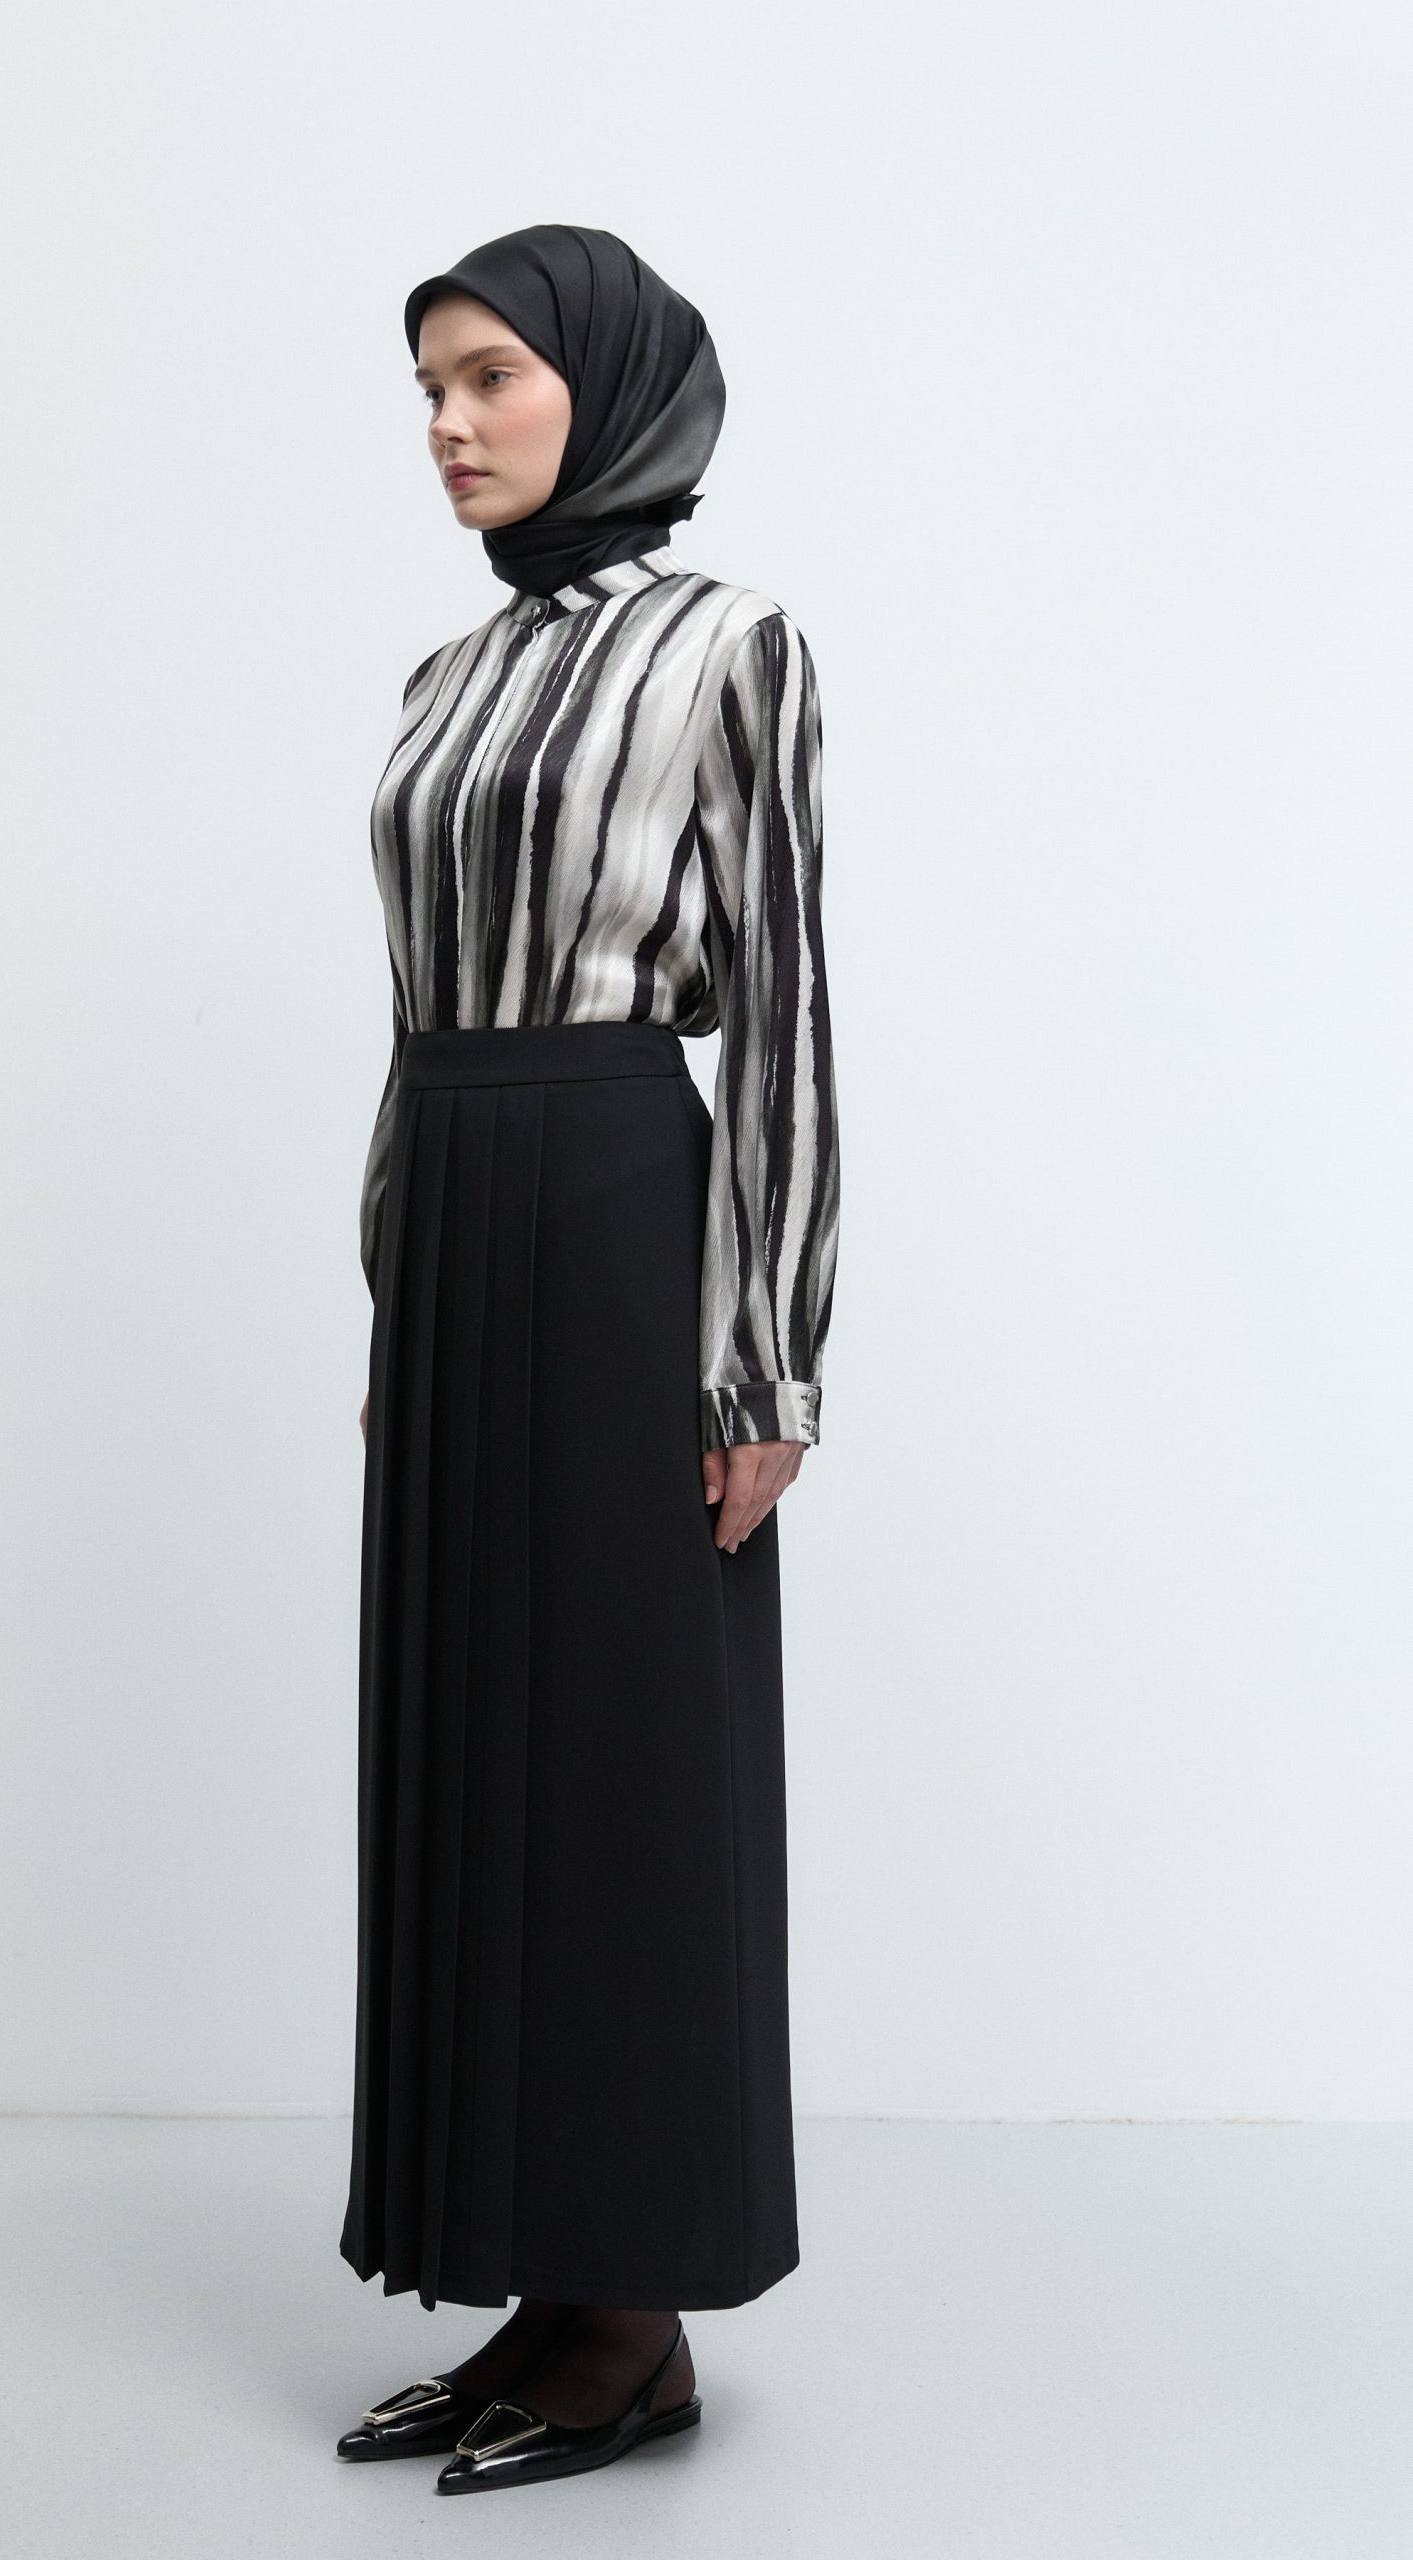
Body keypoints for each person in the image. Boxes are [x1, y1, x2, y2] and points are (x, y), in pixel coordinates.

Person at [334, 223, 840, 2496]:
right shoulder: (442, 677)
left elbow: (790, 1008)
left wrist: (766, 1362)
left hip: (626, 1213)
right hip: (458, 1222)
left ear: (605, 384)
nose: (449, 423)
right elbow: (416, 1006)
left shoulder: (730, 644)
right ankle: (526, 2281)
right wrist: (394, 1286)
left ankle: (633, 2321)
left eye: (489, 377)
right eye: (427, 388)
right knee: (470, 1744)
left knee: (623, 1756)